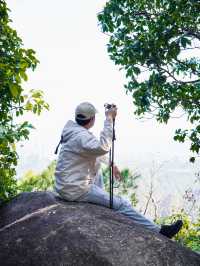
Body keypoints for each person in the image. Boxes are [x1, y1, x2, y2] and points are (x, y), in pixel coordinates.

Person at [54, 102, 183, 238]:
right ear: (92, 119)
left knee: (97, 166)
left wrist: (111, 164)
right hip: (75, 189)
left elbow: (92, 151)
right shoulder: (81, 136)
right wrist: (109, 119)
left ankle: (101, 203)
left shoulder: (74, 131)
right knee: (121, 204)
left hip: (66, 184)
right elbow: (103, 147)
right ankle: (160, 231)